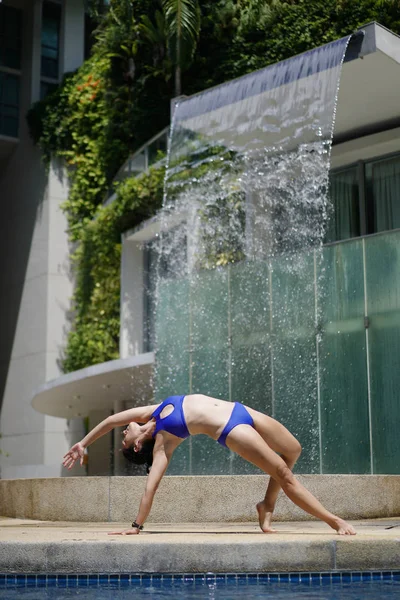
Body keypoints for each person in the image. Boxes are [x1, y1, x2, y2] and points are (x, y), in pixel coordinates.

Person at [62, 394, 356, 536]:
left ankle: (266, 504)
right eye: (125, 439)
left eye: (123, 435)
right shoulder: (164, 444)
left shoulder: (151, 413)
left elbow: (111, 420)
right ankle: (334, 521)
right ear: (138, 445)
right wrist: (136, 526)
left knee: (293, 449)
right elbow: (150, 489)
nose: (124, 432)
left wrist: (84, 443)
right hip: (230, 429)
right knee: (283, 472)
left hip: (240, 410)